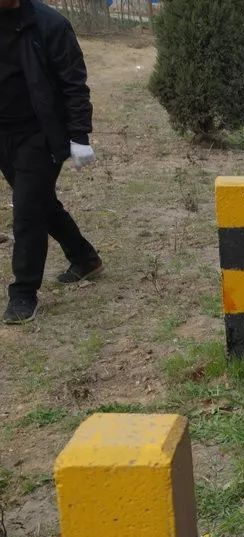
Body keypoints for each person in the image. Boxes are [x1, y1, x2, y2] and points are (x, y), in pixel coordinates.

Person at [0, 0, 99, 325]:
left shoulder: (49, 25)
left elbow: (74, 82)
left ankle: (23, 293)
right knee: (40, 202)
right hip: (4, 134)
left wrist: (80, 136)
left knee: (27, 210)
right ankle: (84, 258)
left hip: (40, 135)